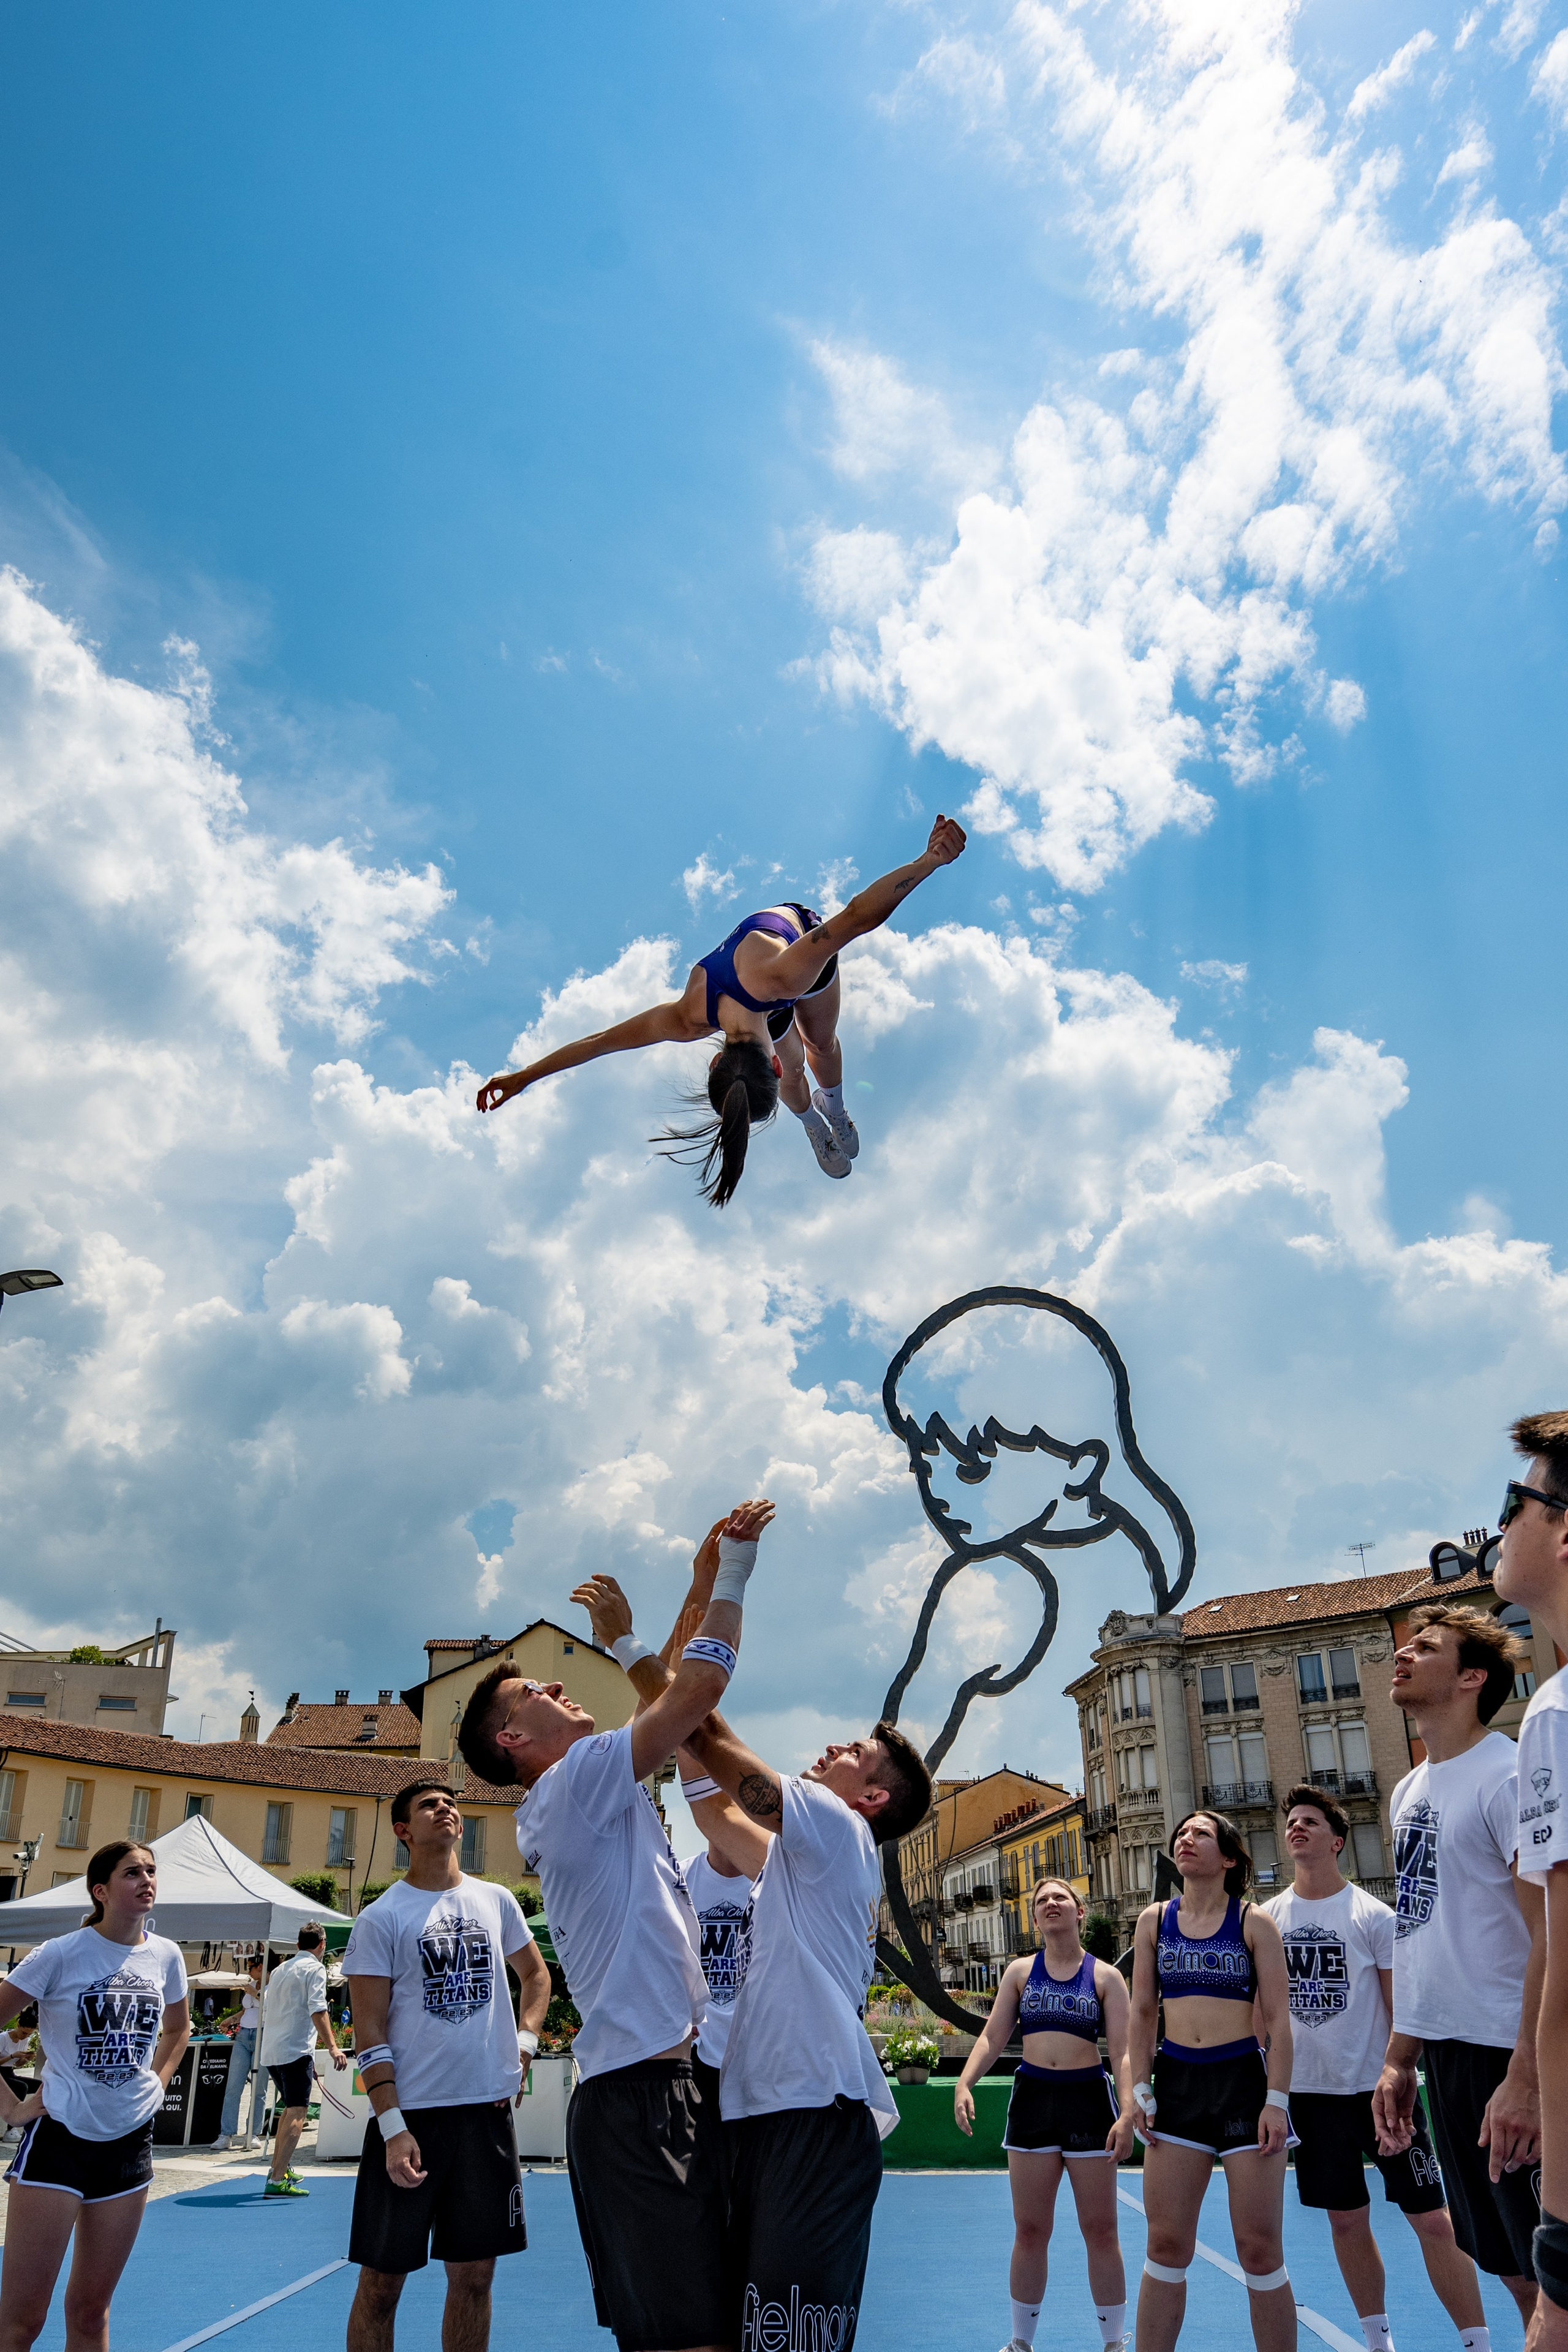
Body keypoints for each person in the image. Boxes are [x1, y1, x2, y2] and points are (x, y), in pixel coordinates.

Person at [573, 1541, 935, 2352]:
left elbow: (709, 1736)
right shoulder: (795, 1865)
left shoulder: (841, 1832)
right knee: (731, 2336)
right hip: (750, 2116)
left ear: (870, 1798)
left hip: (816, 2120)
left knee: (786, 2344)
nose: (832, 1750)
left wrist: (636, 1644)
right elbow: (706, 1801)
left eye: (855, 1756)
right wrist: (695, 1602)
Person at [456, 1497, 777, 2352]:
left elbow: (658, 1680)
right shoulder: (573, 1784)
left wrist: (698, 1586)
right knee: (686, 2340)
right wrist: (736, 1577)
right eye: (537, 1691)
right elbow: (697, 1694)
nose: (561, 1686)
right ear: (516, 1738)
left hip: (655, 2089)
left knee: (689, 2331)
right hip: (639, 2099)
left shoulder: (586, 1787)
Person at [474, 815, 967, 1202]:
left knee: (820, 1043)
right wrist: (521, 1077)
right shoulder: (690, 1022)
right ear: (716, 1060)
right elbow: (598, 1042)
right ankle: (813, 1124)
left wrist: (929, 860)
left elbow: (857, 916)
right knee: (798, 1073)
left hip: (795, 953)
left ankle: (835, 1109)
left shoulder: (774, 977)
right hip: (765, 998)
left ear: (751, 1062)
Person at [1263, 1785, 1487, 2352]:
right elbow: (1263, 2016)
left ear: (1337, 1841)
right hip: (1310, 2099)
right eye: (1292, 1821)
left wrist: (1401, 2085)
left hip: (1378, 2095)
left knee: (1433, 2219)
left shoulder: (1373, 1917)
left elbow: (1402, 2012)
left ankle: (1476, 2342)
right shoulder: (1267, 1921)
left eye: (1311, 1821)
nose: (1298, 1827)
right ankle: (1377, 2341)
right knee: (1345, 2220)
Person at [1373, 1604, 1543, 2334]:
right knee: (1504, 2260)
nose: (1403, 1655)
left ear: (1472, 1677)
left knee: (1547, 2264)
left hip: (1511, 2054)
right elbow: (1419, 1933)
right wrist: (1399, 2058)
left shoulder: (1505, 1777)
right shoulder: (1406, 1793)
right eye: (1406, 1644)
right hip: (1444, 2058)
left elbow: (1552, 1933)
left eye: (1426, 1647)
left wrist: (1527, 2076)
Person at [342, 1777, 551, 2352]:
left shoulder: (497, 1900)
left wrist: (526, 2042)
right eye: (430, 1805)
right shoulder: (381, 1918)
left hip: (485, 2118)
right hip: (412, 2122)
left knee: (475, 2278)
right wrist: (392, 2128)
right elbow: (369, 2030)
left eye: (451, 1803)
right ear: (404, 1831)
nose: (446, 1810)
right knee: (383, 2285)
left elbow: (536, 1976)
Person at [0, 1840, 189, 2352]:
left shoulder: (167, 1955)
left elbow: (178, 2029)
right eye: (133, 1873)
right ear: (100, 1891)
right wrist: (12, 2108)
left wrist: (160, 2080)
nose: (147, 1880)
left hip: (129, 2149)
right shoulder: (60, 1954)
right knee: (22, 2322)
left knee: (90, 2312)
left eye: (151, 1871)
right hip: (59, 2143)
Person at [1128, 1809, 1296, 2352]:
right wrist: (1139, 2091)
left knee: (1259, 2248)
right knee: (1167, 2243)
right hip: (1177, 2087)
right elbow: (1141, 2013)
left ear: (1229, 1857)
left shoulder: (1254, 1923)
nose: (1186, 1839)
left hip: (1244, 2086)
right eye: (1181, 1833)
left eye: (1200, 1833)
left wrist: (1276, 2102)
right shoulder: (1154, 1920)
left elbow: (1278, 2021)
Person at [952, 1875, 1134, 2352]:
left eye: (1061, 1897)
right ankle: (1021, 2341)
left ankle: (1114, 2342)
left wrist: (1130, 2111)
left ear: (1079, 1913)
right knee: (1031, 2229)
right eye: (1041, 1901)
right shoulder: (1018, 1973)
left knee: (1101, 2229)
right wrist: (964, 2081)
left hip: (1088, 2101)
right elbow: (993, 2037)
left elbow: (1124, 2052)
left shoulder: (1105, 1977)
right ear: (1035, 1918)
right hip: (1034, 2100)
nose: (1051, 1903)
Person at [1493, 1412, 1568, 2349]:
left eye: (1515, 1502)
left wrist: (1561, 2237)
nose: (1498, 1528)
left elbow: (1564, 1965)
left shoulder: (1556, 1713)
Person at [259, 1920, 348, 2198]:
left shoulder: (279, 1970)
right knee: (297, 2112)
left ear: (297, 1945)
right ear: (322, 1945)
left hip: (273, 2050)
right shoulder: (315, 1969)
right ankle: (276, 2179)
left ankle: (279, 2169)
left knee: (289, 2109)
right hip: (295, 2049)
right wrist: (333, 2047)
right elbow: (318, 2009)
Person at [218, 1955, 262, 2149]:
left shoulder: (274, 1985)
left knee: (259, 2089)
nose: (249, 1971)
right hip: (244, 2034)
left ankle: (252, 2133)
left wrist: (255, 1994)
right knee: (233, 2086)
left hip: (263, 2033)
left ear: (261, 1967)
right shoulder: (252, 1983)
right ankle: (226, 2134)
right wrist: (231, 2019)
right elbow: (246, 2011)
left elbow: (275, 2008)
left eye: (251, 1967)